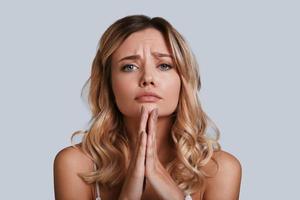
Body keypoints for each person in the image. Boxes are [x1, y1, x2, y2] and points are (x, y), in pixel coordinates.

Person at [53, 14, 242, 200]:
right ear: (109, 84)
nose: (148, 78)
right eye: (129, 67)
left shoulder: (220, 170)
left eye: (164, 65)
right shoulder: (75, 165)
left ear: (183, 80)